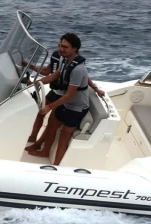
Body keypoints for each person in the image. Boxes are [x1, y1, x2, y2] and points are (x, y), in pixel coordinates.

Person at [25, 33, 98, 165]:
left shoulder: (78, 70)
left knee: (63, 137)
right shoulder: (65, 61)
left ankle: (56, 167)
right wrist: (36, 83)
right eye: (59, 46)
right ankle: (45, 151)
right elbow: (53, 76)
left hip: (75, 108)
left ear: (74, 49)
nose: (60, 49)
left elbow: (69, 95)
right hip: (66, 104)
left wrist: (49, 107)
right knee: (51, 127)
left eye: (65, 47)